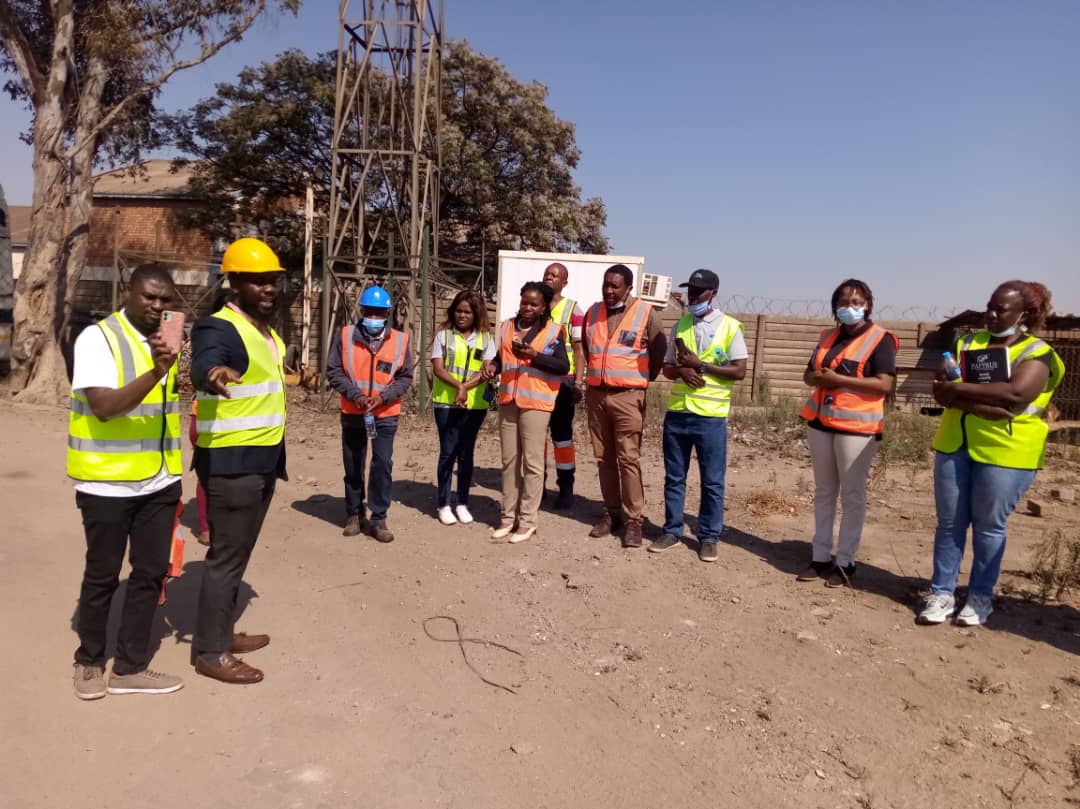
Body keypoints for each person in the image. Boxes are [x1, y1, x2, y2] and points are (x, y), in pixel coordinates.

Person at [68, 263, 186, 699]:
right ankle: (88, 662)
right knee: (102, 575)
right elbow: (103, 407)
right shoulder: (97, 339)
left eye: (165, 299)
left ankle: (130, 667)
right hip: (107, 483)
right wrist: (156, 371)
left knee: (151, 574)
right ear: (128, 292)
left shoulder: (165, 342)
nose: (157, 306)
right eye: (149, 297)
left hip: (158, 480)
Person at [918, 280, 1065, 627]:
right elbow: (940, 390)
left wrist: (959, 392)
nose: (992, 314)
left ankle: (980, 597)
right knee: (950, 524)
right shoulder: (968, 343)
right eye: (989, 306)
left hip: (1007, 452)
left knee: (988, 527)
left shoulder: (1038, 352)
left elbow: (1015, 395)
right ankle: (941, 593)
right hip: (955, 444)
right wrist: (980, 405)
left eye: (1001, 309)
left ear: (1024, 314)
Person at [190, 237, 287, 685]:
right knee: (226, 558)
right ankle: (210, 652)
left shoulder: (264, 332)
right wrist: (212, 374)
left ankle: (221, 633)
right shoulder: (218, 327)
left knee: (238, 553)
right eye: (258, 281)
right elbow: (205, 363)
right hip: (233, 466)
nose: (269, 289)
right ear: (234, 283)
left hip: (261, 461)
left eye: (273, 281)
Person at [796, 279, 897, 587]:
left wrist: (839, 380)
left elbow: (885, 384)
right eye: (843, 302)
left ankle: (845, 562)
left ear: (867, 305)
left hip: (857, 428)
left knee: (852, 495)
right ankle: (820, 557)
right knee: (824, 492)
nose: (849, 307)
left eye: (856, 302)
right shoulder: (827, 336)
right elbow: (808, 374)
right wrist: (818, 378)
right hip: (821, 423)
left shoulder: (880, 339)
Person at [648, 269, 747, 563]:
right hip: (678, 414)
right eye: (690, 290)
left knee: (712, 481)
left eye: (698, 291)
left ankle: (709, 537)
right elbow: (668, 368)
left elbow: (740, 371)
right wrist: (681, 370)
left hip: (711, 418)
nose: (692, 296)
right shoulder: (681, 326)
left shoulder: (730, 327)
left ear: (712, 293)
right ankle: (672, 531)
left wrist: (701, 365)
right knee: (674, 477)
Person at [582, 264, 667, 548]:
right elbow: (588, 349)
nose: (608, 291)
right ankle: (612, 512)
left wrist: (640, 381)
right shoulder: (592, 313)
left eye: (615, 286)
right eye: (605, 285)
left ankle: (633, 520)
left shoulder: (646, 314)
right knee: (603, 458)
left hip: (628, 396)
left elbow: (658, 352)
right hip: (597, 395)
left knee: (628, 458)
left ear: (629, 288)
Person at [326, 285, 413, 542]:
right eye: (369, 312)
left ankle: (378, 518)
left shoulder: (400, 341)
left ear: (386, 314)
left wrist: (383, 397)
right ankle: (354, 513)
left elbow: (405, 377)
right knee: (353, 463)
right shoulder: (345, 336)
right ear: (362, 311)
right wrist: (356, 396)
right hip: (354, 412)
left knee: (382, 464)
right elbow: (334, 371)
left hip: (385, 413)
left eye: (378, 313)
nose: (373, 317)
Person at [490, 281, 570, 543]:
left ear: (544, 307)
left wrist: (535, 356)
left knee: (532, 464)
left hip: (536, 403)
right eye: (524, 302)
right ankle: (507, 516)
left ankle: (527, 521)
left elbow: (562, 366)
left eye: (534, 304)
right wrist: (493, 366)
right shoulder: (506, 327)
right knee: (509, 461)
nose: (527, 307)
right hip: (509, 401)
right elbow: (502, 357)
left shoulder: (553, 331)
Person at [430, 289, 495, 525]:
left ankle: (462, 502)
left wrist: (465, 387)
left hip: (474, 404)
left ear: (477, 314)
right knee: (448, 452)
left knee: (466, 454)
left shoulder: (486, 339)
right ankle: (444, 503)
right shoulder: (443, 336)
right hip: (446, 403)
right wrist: (459, 386)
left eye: (467, 312)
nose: (462, 315)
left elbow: (487, 369)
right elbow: (438, 368)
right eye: (458, 311)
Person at [188, 288, 236, 547]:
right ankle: (209, 527)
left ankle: (211, 527)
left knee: (212, 477)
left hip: (211, 417)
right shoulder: (221, 338)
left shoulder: (206, 334)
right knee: (215, 476)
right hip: (212, 419)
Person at [542, 262, 587, 509]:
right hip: (536, 382)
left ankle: (566, 487)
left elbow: (579, 350)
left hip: (563, 383)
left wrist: (578, 382)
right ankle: (537, 485)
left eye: (555, 275)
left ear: (564, 282)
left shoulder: (573, 310)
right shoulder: (536, 304)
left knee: (562, 437)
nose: (549, 277)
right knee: (537, 437)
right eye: (547, 274)